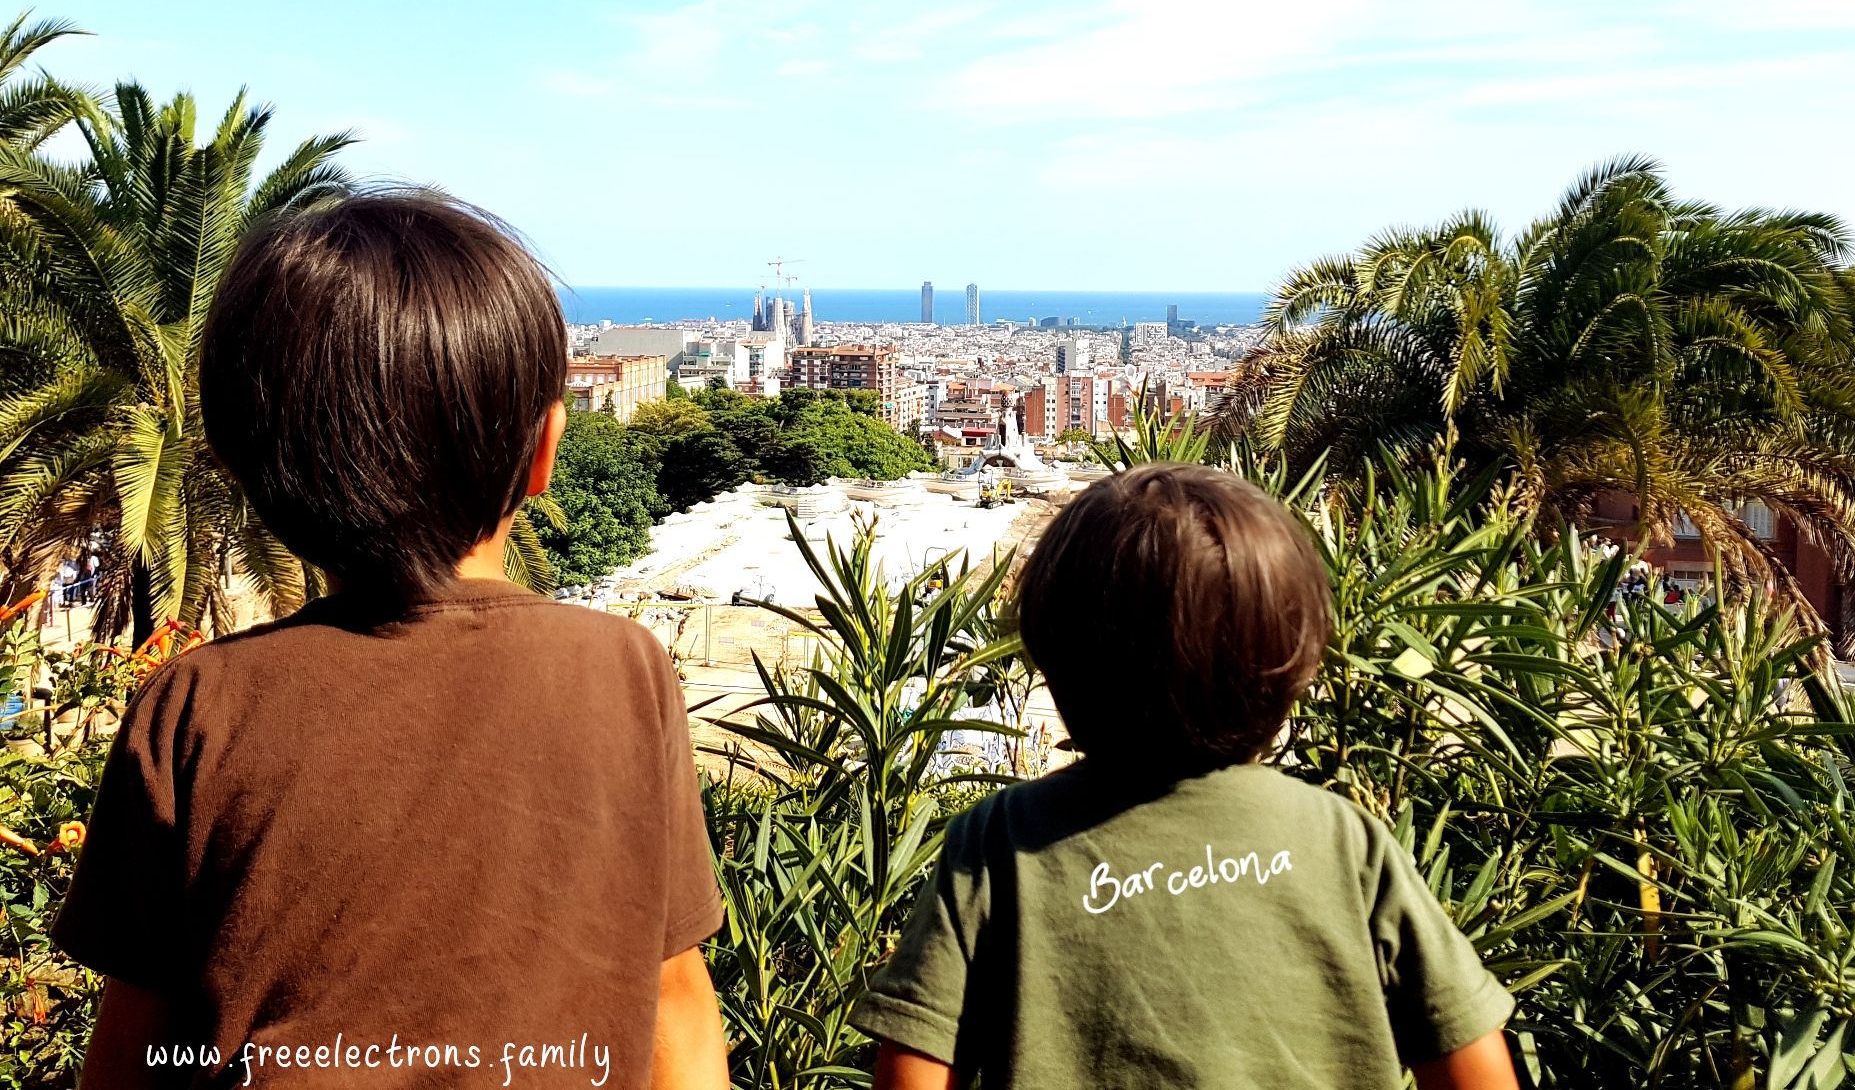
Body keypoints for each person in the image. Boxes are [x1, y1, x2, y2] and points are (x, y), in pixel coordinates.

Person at [54, 194, 730, 1089]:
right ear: (545, 452)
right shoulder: (621, 671)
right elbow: (676, 1010)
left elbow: (135, 1051)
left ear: (252, 466)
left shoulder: (193, 706)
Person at [854, 462, 1520, 1090]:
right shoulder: (1344, 841)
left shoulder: (998, 842)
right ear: (1293, 660)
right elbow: (1476, 1070)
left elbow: (913, 1073)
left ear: (1057, 654)